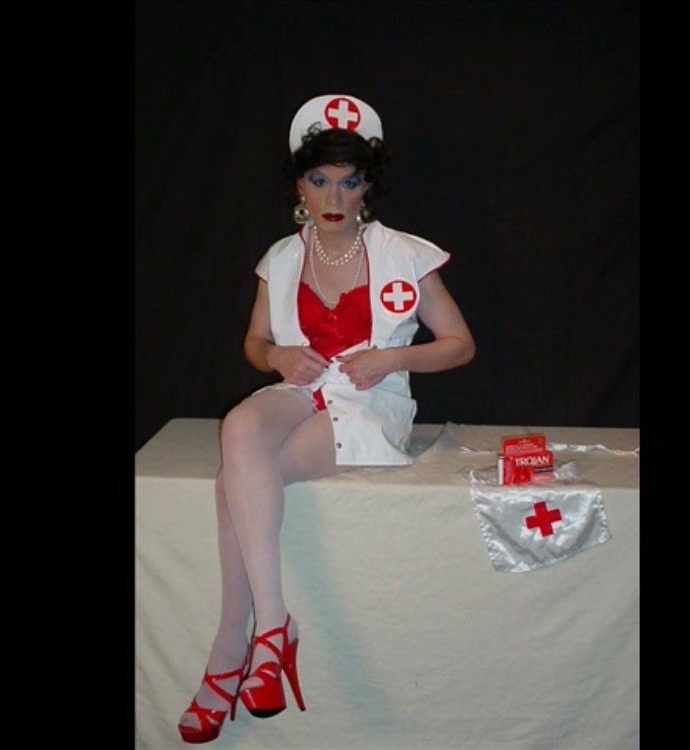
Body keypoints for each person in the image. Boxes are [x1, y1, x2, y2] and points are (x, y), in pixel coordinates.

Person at [176, 93, 476, 744]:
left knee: (236, 482)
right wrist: (276, 355)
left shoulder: (405, 253)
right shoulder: (280, 259)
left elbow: (460, 345)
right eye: (319, 180)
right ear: (299, 186)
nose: (333, 196)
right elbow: (256, 344)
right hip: (300, 391)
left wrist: (393, 357)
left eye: (349, 180)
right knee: (240, 428)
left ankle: (231, 648)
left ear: (368, 186)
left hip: (370, 403)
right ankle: (273, 628)